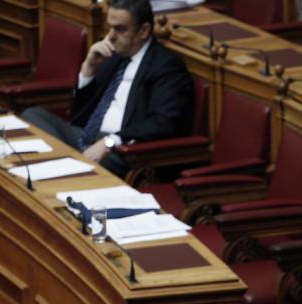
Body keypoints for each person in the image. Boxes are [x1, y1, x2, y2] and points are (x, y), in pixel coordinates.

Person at [22, 0, 192, 177]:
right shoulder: (112, 54)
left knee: (95, 160)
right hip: (86, 137)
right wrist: (88, 70)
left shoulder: (166, 66)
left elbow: (162, 123)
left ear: (144, 30)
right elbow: (78, 116)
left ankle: (64, 166)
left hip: (122, 150)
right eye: (109, 27)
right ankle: (69, 164)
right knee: (32, 115)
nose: (110, 36)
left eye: (120, 29)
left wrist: (110, 141)